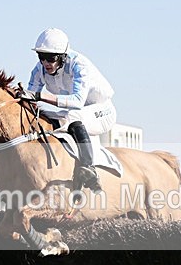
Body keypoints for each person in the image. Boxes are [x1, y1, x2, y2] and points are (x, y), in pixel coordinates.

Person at [19, 28, 116, 192]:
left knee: (73, 115)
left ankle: (89, 168)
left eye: (51, 58)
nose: (45, 62)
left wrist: (39, 96)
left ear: (63, 56)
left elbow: (77, 101)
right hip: (76, 112)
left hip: (102, 111)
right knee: (43, 116)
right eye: (41, 57)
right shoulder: (39, 70)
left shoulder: (79, 65)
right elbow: (30, 101)